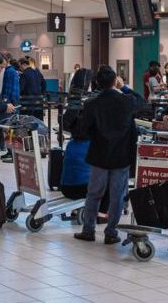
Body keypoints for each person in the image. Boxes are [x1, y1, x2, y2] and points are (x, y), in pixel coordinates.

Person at [72, 66, 136, 244]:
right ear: (115, 81)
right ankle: (111, 232)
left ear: (97, 83)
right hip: (121, 156)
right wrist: (123, 88)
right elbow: (142, 102)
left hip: (99, 155)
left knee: (93, 193)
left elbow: (83, 130)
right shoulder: (127, 101)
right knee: (117, 196)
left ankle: (88, 230)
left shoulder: (91, 104)